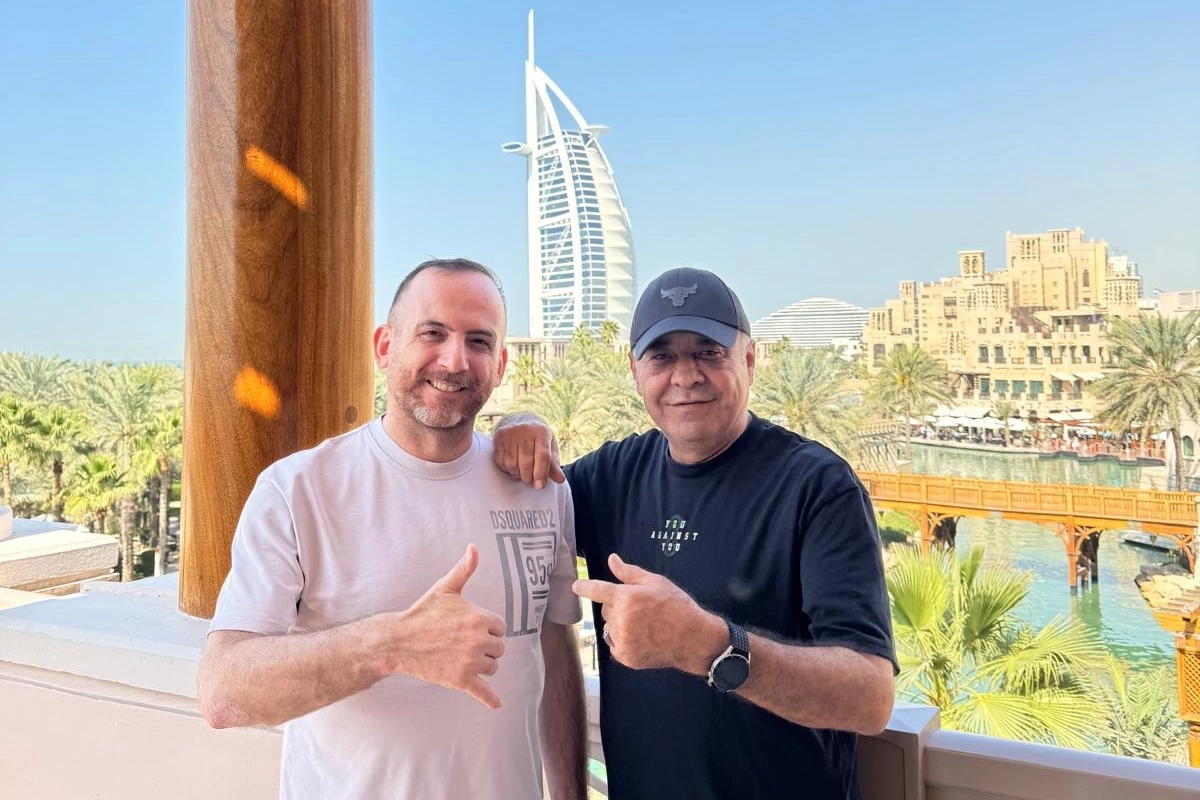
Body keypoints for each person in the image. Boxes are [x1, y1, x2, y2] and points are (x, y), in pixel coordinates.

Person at [494, 267, 896, 800]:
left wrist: (707, 646)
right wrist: (518, 423)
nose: (685, 376)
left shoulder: (817, 486)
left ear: (749, 359)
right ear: (635, 371)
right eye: (662, 356)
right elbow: (519, 509)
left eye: (709, 352)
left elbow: (870, 697)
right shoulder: (610, 478)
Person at [198, 258, 587, 800]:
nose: (455, 360)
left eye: (478, 341)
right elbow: (224, 691)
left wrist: (569, 794)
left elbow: (552, 645)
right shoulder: (298, 490)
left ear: (499, 365)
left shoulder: (541, 487)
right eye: (433, 333)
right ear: (384, 346)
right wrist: (393, 644)